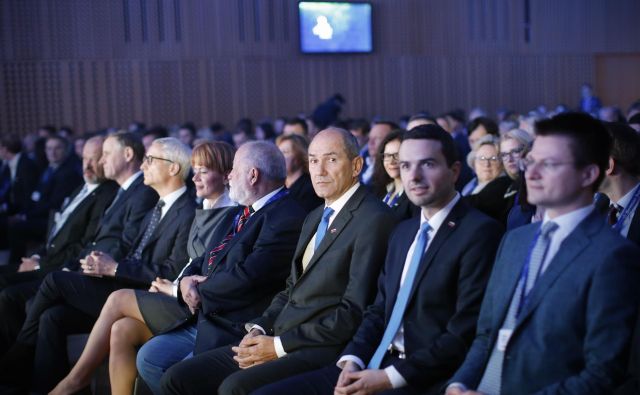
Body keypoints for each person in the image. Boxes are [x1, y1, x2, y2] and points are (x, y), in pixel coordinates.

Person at [253, 124, 504, 395]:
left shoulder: (479, 232)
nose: (414, 176)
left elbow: (460, 334)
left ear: (454, 171)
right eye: (406, 166)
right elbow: (378, 310)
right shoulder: (404, 231)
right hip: (371, 360)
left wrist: (388, 377)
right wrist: (352, 361)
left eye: (427, 164)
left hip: (419, 376)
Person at [158, 127, 397, 395]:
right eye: (313, 160)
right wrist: (259, 328)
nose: (319, 170)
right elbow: (291, 288)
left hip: (321, 346)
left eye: (331, 160)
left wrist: (280, 345)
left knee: (233, 388)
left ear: (356, 166)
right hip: (279, 333)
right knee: (176, 378)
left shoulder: (374, 218)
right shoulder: (316, 216)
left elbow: (353, 310)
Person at [446, 112, 640, 394]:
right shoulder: (514, 241)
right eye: (531, 161)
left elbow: (603, 372)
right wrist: (459, 383)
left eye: (548, 164)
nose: (531, 173)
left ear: (589, 173)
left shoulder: (613, 256)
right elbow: (487, 333)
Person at [0, 137, 197, 393]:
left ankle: (20, 355)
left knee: (54, 280)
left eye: (150, 159)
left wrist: (115, 268)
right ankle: (46, 388)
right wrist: (104, 264)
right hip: (118, 281)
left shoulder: (187, 211)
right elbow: (131, 249)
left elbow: (170, 272)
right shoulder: (158, 206)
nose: (143, 165)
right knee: (53, 317)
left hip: (136, 292)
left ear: (173, 168)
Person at [49, 141, 239, 395]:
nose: (195, 177)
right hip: (176, 293)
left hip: (197, 307)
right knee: (121, 329)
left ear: (226, 176)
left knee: (114, 297)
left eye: (203, 171)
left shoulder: (231, 214)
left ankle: (75, 380)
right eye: (194, 169)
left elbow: (207, 271)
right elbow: (191, 263)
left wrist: (172, 288)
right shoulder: (204, 207)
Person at [131, 141, 307, 393]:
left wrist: (201, 291)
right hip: (207, 315)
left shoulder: (286, 217)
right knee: (149, 357)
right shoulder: (241, 211)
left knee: (177, 376)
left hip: (234, 323)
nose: (229, 176)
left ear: (253, 175)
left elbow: (249, 277)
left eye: (234, 169)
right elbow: (204, 258)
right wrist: (185, 282)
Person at [7, 135, 83, 261]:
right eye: (49, 149)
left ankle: (16, 266)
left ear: (66, 150)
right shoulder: (48, 169)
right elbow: (35, 196)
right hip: (39, 214)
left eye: (57, 148)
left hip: (51, 219)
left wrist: (25, 216)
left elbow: (54, 204)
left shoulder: (68, 173)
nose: (52, 152)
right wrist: (22, 213)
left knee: (16, 228)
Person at [371, 129, 418, 221]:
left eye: (397, 155)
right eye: (387, 155)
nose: (391, 162)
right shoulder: (378, 190)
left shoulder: (416, 195)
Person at [463, 136, 512, 223]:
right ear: (474, 163)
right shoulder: (471, 185)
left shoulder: (503, 184)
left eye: (493, 159)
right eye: (482, 158)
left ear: (501, 163)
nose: (486, 164)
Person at [276, 134, 323, 213]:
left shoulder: (310, 189)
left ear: (300, 156)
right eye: (278, 152)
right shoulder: (277, 186)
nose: (278, 157)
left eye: (285, 152)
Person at [499, 129, 535, 229]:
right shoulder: (510, 187)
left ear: (528, 150)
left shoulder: (535, 185)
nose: (509, 159)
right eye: (504, 155)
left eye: (515, 151)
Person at [360, 121, 398, 185]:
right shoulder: (362, 160)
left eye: (378, 138)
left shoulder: (392, 170)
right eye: (370, 138)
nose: (370, 143)